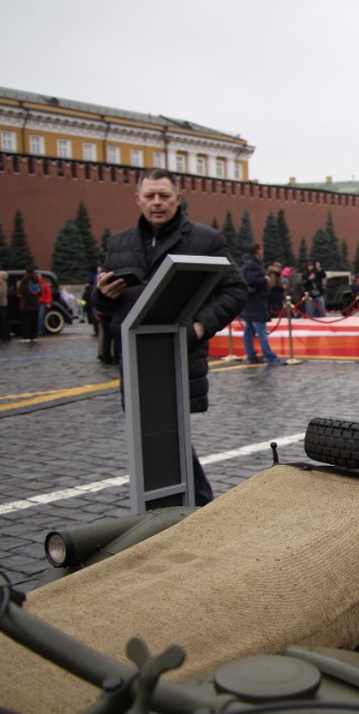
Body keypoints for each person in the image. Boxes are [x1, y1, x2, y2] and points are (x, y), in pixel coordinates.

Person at [93, 168, 245, 505]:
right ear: (138, 200)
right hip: (136, 356)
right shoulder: (119, 243)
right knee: (149, 436)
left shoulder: (205, 240)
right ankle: (174, 507)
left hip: (179, 353)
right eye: (150, 196)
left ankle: (195, 504)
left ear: (179, 197)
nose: (157, 203)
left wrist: (200, 327)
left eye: (164, 195)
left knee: (167, 434)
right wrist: (102, 295)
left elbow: (235, 289)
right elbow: (103, 304)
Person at [238, 244, 284, 366]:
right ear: (258, 251)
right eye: (262, 250)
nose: (263, 253)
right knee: (261, 331)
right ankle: (270, 357)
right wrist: (265, 280)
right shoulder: (253, 264)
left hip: (249, 302)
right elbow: (251, 280)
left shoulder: (244, 262)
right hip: (256, 303)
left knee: (249, 331)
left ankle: (251, 355)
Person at [17, 266, 43, 343]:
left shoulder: (25, 279)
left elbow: (22, 291)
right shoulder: (36, 279)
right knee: (34, 321)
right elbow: (40, 292)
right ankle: (34, 336)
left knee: (26, 321)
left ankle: (27, 337)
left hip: (27, 304)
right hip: (36, 303)